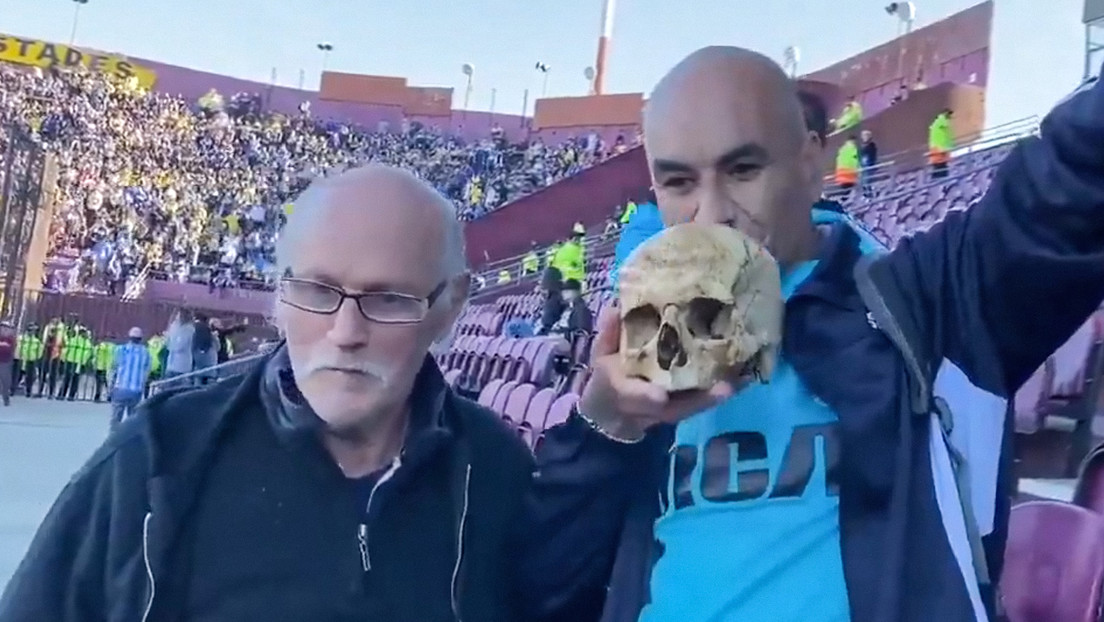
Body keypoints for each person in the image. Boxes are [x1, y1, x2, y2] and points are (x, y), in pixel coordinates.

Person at [524, 47, 1104, 622]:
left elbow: (1069, 186)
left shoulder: (925, 305)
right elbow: (544, 596)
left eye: (743, 170)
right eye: (679, 183)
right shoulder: (651, 346)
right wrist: (603, 428)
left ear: (810, 162)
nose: (711, 214)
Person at [0, 165, 534, 621]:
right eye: (316, 291)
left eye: (389, 299)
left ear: (451, 305)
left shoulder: (495, 469)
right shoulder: (157, 456)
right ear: (279, 294)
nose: (346, 332)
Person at [108, 327, 153, 429]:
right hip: (136, 390)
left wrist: (110, 387)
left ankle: (114, 439)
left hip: (121, 387)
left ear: (129, 337)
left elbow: (113, 369)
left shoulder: (120, 350)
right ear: (141, 339)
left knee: (115, 419)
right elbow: (147, 372)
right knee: (132, 419)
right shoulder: (145, 353)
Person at [0, 321, 15, 406]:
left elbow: (11, 350)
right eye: (2, 328)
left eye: (6, 328)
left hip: (5, 361)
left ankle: (6, 399)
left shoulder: (10, 339)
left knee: (5, 381)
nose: (4, 330)